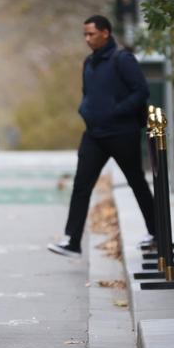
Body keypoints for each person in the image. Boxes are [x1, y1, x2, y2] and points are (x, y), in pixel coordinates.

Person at [48, 15, 155, 258]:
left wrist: (115, 111)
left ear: (105, 32)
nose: (87, 39)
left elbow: (142, 91)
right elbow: (89, 94)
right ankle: (72, 242)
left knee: (136, 182)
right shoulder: (89, 62)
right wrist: (84, 110)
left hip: (121, 134)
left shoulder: (122, 59)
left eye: (91, 34)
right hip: (94, 135)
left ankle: (156, 233)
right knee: (81, 186)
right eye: (85, 34)